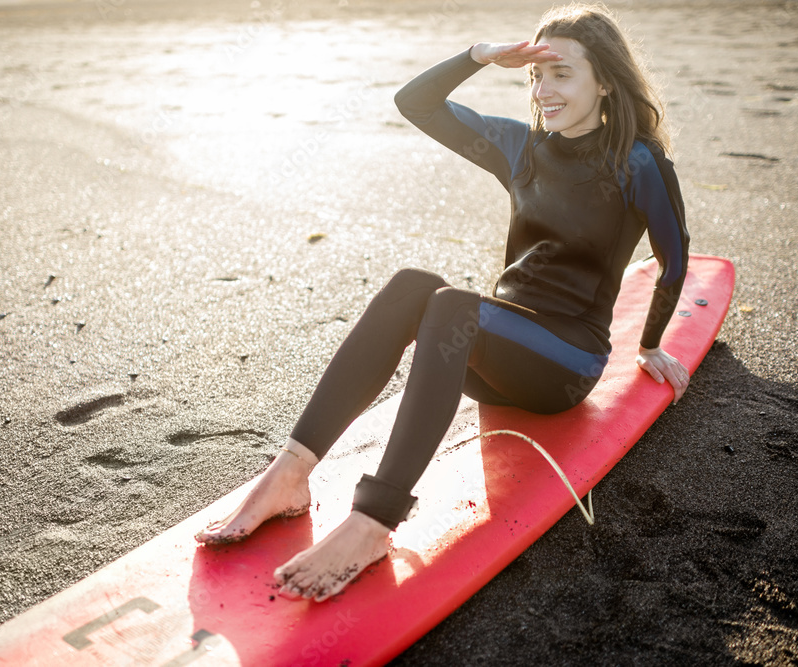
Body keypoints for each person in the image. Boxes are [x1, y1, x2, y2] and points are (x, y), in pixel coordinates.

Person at [195, 3, 690, 603]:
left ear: (605, 80)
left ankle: (374, 523)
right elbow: (416, 104)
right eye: (535, 74)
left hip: (565, 369)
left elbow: (675, 253)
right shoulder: (520, 147)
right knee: (412, 285)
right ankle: (290, 474)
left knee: (454, 304)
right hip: (488, 363)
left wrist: (650, 344)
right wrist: (479, 55)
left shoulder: (636, 160)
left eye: (562, 73)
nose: (543, 89)